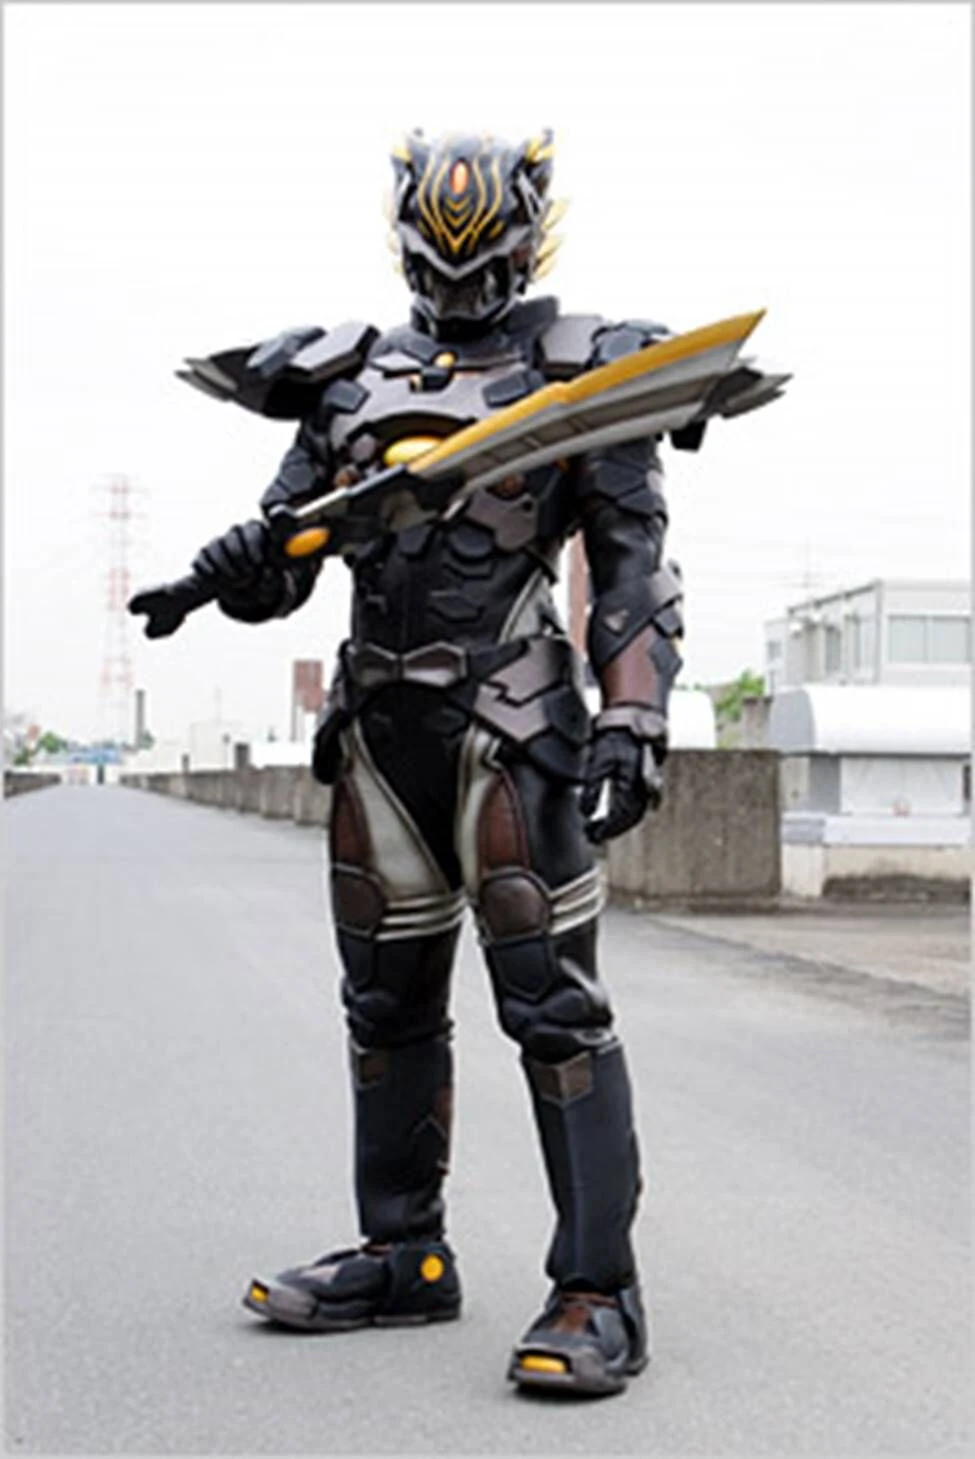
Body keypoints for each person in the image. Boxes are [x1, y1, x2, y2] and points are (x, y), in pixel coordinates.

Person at [131, 129, 750, 1397]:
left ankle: (599, 1290)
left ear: (528, 240)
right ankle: (404, 1253)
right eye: (440, 258)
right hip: (379, 734)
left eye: (487, 258)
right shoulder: (348, 383)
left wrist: (635, 714)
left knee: (555, 1010)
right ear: (407, 240)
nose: (463, 280)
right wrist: (242, 572)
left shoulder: (584, 374)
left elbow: (631, 568)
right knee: (386, 1007)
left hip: (511, 729)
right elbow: (291, 563)